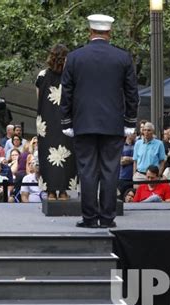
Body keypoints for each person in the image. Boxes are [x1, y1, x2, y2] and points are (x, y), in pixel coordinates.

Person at [60, 14, 139, 228]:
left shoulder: (75, 57)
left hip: (83, 123)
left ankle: (89, 217)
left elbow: (66, 92)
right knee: (110, 170)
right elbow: (132, 92)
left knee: (86, 171)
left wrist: (66, 121)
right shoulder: (122, 57)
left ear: (90, 31)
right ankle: (107, 218)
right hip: (113, 124)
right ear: (109, 33)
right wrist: (130, 120)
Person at [36, 43, 77, 201]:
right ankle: (64, 192)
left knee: (48, 154)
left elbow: (39, 99)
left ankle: (51, 191)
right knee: (67, 154)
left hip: (46, 121)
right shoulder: (72, 75)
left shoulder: (42, 75)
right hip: (66, 120)